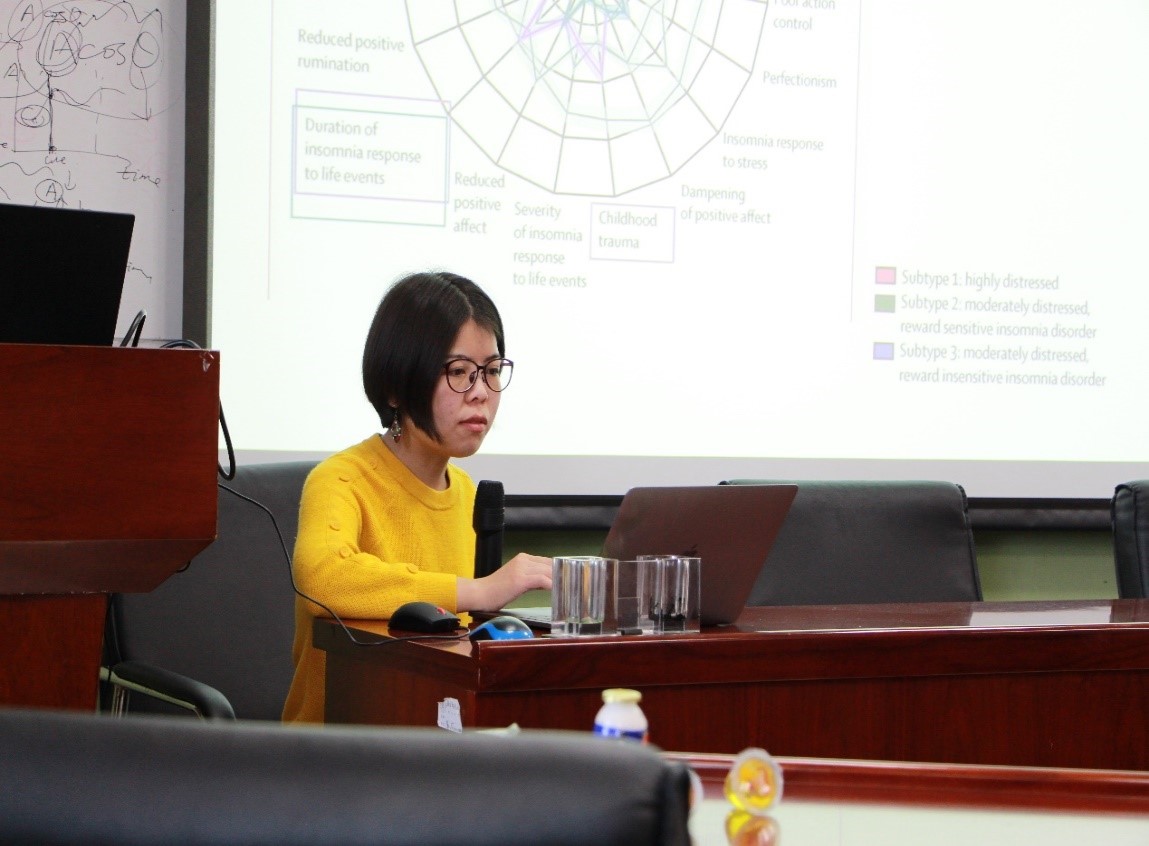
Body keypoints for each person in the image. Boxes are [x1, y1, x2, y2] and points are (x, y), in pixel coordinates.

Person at [282, 271, 553, 723]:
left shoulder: (467, 493)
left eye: (491, 371)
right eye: (459, 372)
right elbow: (322, 578)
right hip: (336, 747)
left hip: (434, 734)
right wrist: (480, 589)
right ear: (396, 386)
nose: (481, 394)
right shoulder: (341, 480)